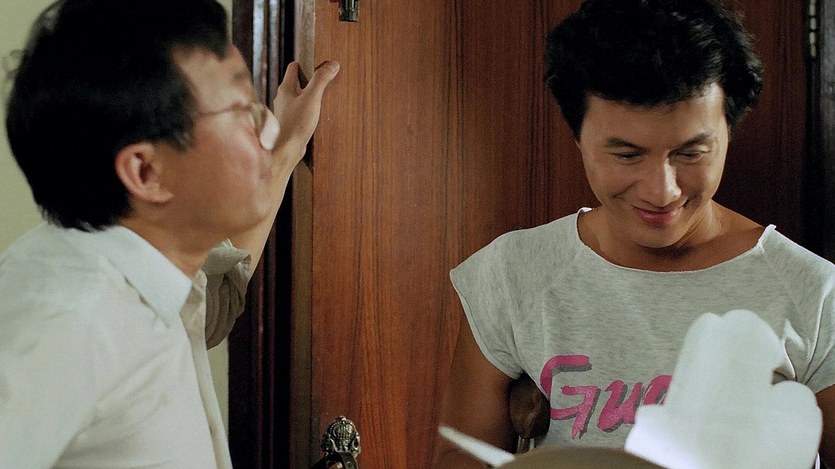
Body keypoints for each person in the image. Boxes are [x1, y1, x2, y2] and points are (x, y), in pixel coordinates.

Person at [433, 0, 835, 467]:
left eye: (690, 153)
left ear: (728, 133)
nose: (661, 191)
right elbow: (457, 458)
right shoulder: (513, 274)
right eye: (627, 155)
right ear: (578, 136)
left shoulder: (812, 293)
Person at [0, 0, 338, 467]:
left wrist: (287, 148)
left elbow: (213, 299)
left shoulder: (149, 280)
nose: (269, 128)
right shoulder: (67, 320)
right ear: (146, 171)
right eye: (242, 111)